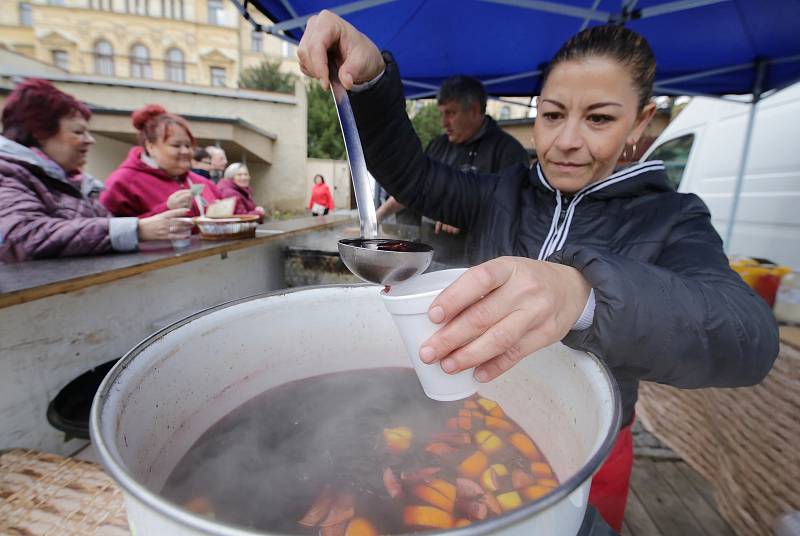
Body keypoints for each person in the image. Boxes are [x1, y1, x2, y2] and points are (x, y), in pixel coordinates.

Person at [298, 12, 779, 531]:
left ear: (641, 122)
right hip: (473, 408)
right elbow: (410, 173)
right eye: (552, 115)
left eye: (599, 119)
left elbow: (748, 338)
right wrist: (370, 84)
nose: (567, 140)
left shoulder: (673, 218)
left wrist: (585, 294)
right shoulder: (500, 191)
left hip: (590, 439)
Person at [0, 79, 190, 263]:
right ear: (40, 133)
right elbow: (25, 237)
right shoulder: (7, 175)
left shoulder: (75, 182)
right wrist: (137, 230)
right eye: (78, 132)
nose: (90, 140)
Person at [377, 75, 529, 263]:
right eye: (442, 113)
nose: (444, 122)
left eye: (450, 113)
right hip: (430, 257)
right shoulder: (438, 145)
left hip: (477, 265)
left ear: (473, 110)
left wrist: (462, 214)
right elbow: (415, 188)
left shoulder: (509, 151)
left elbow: (516, 215)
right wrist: (378, 216)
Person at [101, 105, 247, 219]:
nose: (185, 151)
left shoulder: (201, 182)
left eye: (188, 146)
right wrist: (166, 210)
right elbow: (109, 233)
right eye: (176, 146)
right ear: (150, 146)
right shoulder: (122, 183)